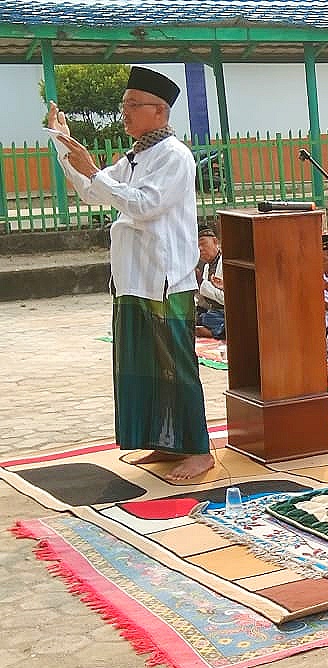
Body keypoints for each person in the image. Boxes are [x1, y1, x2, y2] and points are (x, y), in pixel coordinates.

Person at [48, 66, 213, 480]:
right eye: (125, 105)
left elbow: (142, 205)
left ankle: (198, 448)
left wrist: (94, 170)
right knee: (142, 365)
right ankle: (163, 440)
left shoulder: (174, 156)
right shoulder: (138, 155)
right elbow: (92, 191)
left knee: (176, 364)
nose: (125, 113)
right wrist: (63, 146)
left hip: (163, 278)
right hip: (132, 277)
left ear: (159, 111)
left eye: (131, 106)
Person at [195, 226, 225, 340]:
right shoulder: (207, 267)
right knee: (198, 316)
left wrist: (201, 283)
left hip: (224, 312)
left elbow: (224, 299)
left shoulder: (224, 262)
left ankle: (214, 332)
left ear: (215, 242)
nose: (200, 249)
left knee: (210, 318)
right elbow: (205, 302)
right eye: (197, 247)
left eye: (203, 244)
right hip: (213, 313)